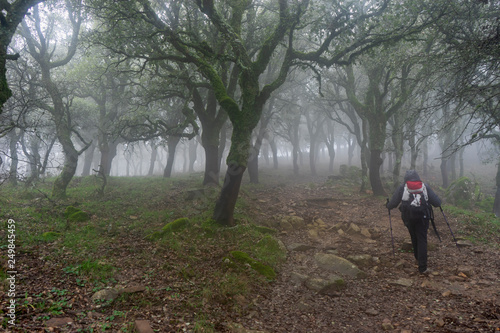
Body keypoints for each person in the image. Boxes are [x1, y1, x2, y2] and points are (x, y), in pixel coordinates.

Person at [386, 170, 442, 275]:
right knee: (422, 239)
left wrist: (388, 205)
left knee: (414, 237)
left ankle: (417, 258)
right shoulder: (424, 186)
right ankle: (423, 267)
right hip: (423, 217)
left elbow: (394, 202)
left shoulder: (403, 187)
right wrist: (439, 200)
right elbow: (437, 203)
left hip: (408, 217)